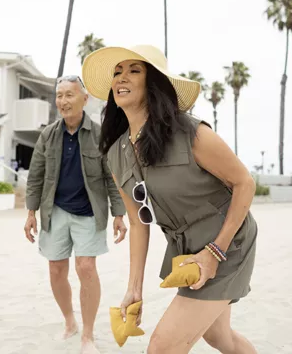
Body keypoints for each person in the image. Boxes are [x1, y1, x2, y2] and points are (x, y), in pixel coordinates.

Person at [82, 45, 258, 353]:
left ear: (152, 83)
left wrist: (215, 252)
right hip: (185, 250)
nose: (122, 78)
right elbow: (138, 222)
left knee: (162, 346)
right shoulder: (115, 154)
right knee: (219, 337)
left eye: (134, 70)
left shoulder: (190, 132)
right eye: (117, 72)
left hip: (228, 242)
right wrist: (134, 289)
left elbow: (244, 183)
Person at [24, 75, 127, 354]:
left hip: (88, 213)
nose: (63, 101)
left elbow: (112, 177)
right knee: (56, 270)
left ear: (85, 99)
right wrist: (31, 212)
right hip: (53, 211)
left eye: (69, 95)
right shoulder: (48, 135)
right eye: (59, 95)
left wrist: (119, 215)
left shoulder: (98, 134)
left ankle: (88, 335)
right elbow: (35, 176)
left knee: (86, 268)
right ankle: (70, 322)